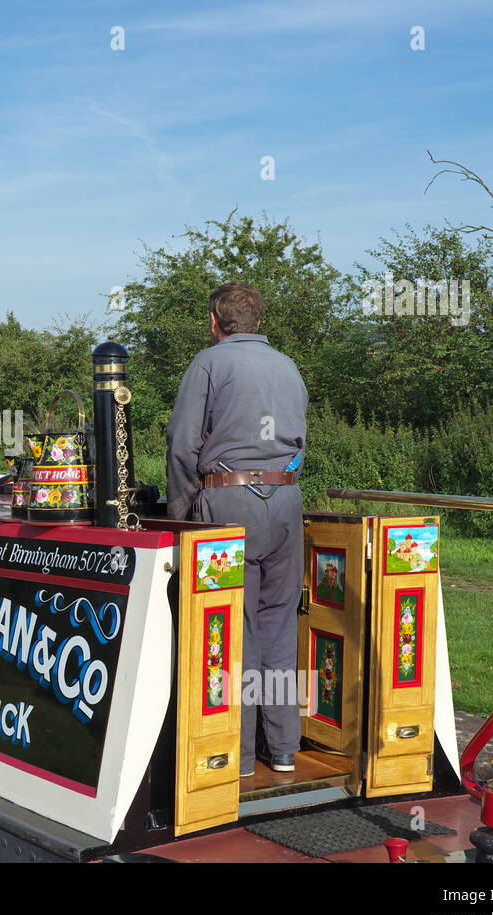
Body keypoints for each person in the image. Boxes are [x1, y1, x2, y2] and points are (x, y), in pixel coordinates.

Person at [166, 282, 308, 778]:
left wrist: (181, 515)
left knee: (230, 629)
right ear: (258, 320)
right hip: (287, 501)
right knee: (279, 624)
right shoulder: (289, 366)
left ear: (214, 322)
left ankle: (240, 756)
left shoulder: (209, 363)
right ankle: (286, 748)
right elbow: (300, 441)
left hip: (228, 502)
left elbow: (183, 445)